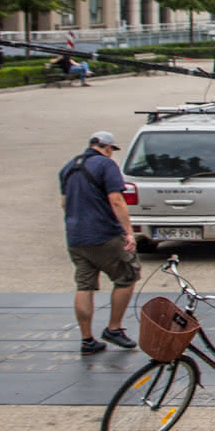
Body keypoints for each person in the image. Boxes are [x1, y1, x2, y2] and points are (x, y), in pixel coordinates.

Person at [59, 130, 139, 355]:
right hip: (104, 234)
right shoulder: (106, 165)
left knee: (84, 285)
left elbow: (64, 203)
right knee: (127, 276)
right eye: (111, 150)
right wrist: (129, 232)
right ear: (107, 148)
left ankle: (87, 340)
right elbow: (116, 200)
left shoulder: (68, 167)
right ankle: (114, 328)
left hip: (75, 237)